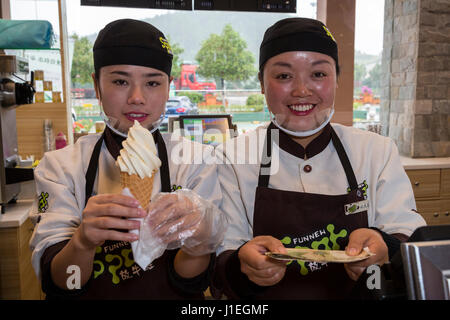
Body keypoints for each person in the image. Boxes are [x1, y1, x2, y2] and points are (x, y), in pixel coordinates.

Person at [212, 17, 426, 299]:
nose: (302, 90)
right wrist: (245, 264)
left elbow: (407, 233)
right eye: (284, 76)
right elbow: (222, 253)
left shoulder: (376, 151)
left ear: (337, 79)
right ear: (262, 84)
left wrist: (384, 246)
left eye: (318, 75)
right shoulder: (231, 158)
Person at [29, 19, 226, 299]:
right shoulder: (60, 167)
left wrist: (199, 240)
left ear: (168, 88)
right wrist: (83, 241)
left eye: (152, 83)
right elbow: (64, 285)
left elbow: (190, 284)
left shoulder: (196, 161)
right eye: (121, 81)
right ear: (96, 85)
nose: (137, 97)